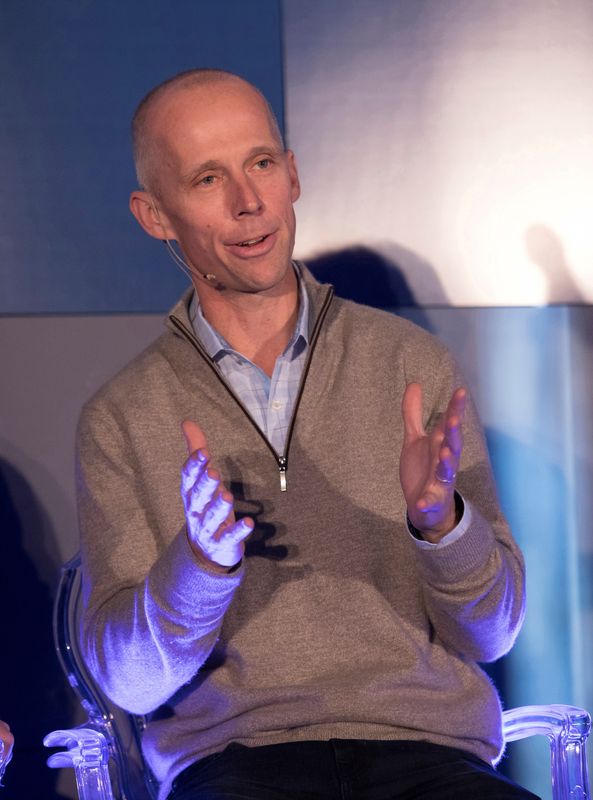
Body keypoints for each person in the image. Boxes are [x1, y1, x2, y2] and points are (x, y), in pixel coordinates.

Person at [76, 68, 536, 800]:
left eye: (261, 164)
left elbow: (492, 633)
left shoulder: (409, 364)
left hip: (429, 756)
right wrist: (198, 564)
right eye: (206, 179)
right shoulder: (123, 415)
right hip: (234, 764)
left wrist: (440, 525)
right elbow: (128, 683)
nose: (248, 202)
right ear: (154, 214)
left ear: (292, 175)